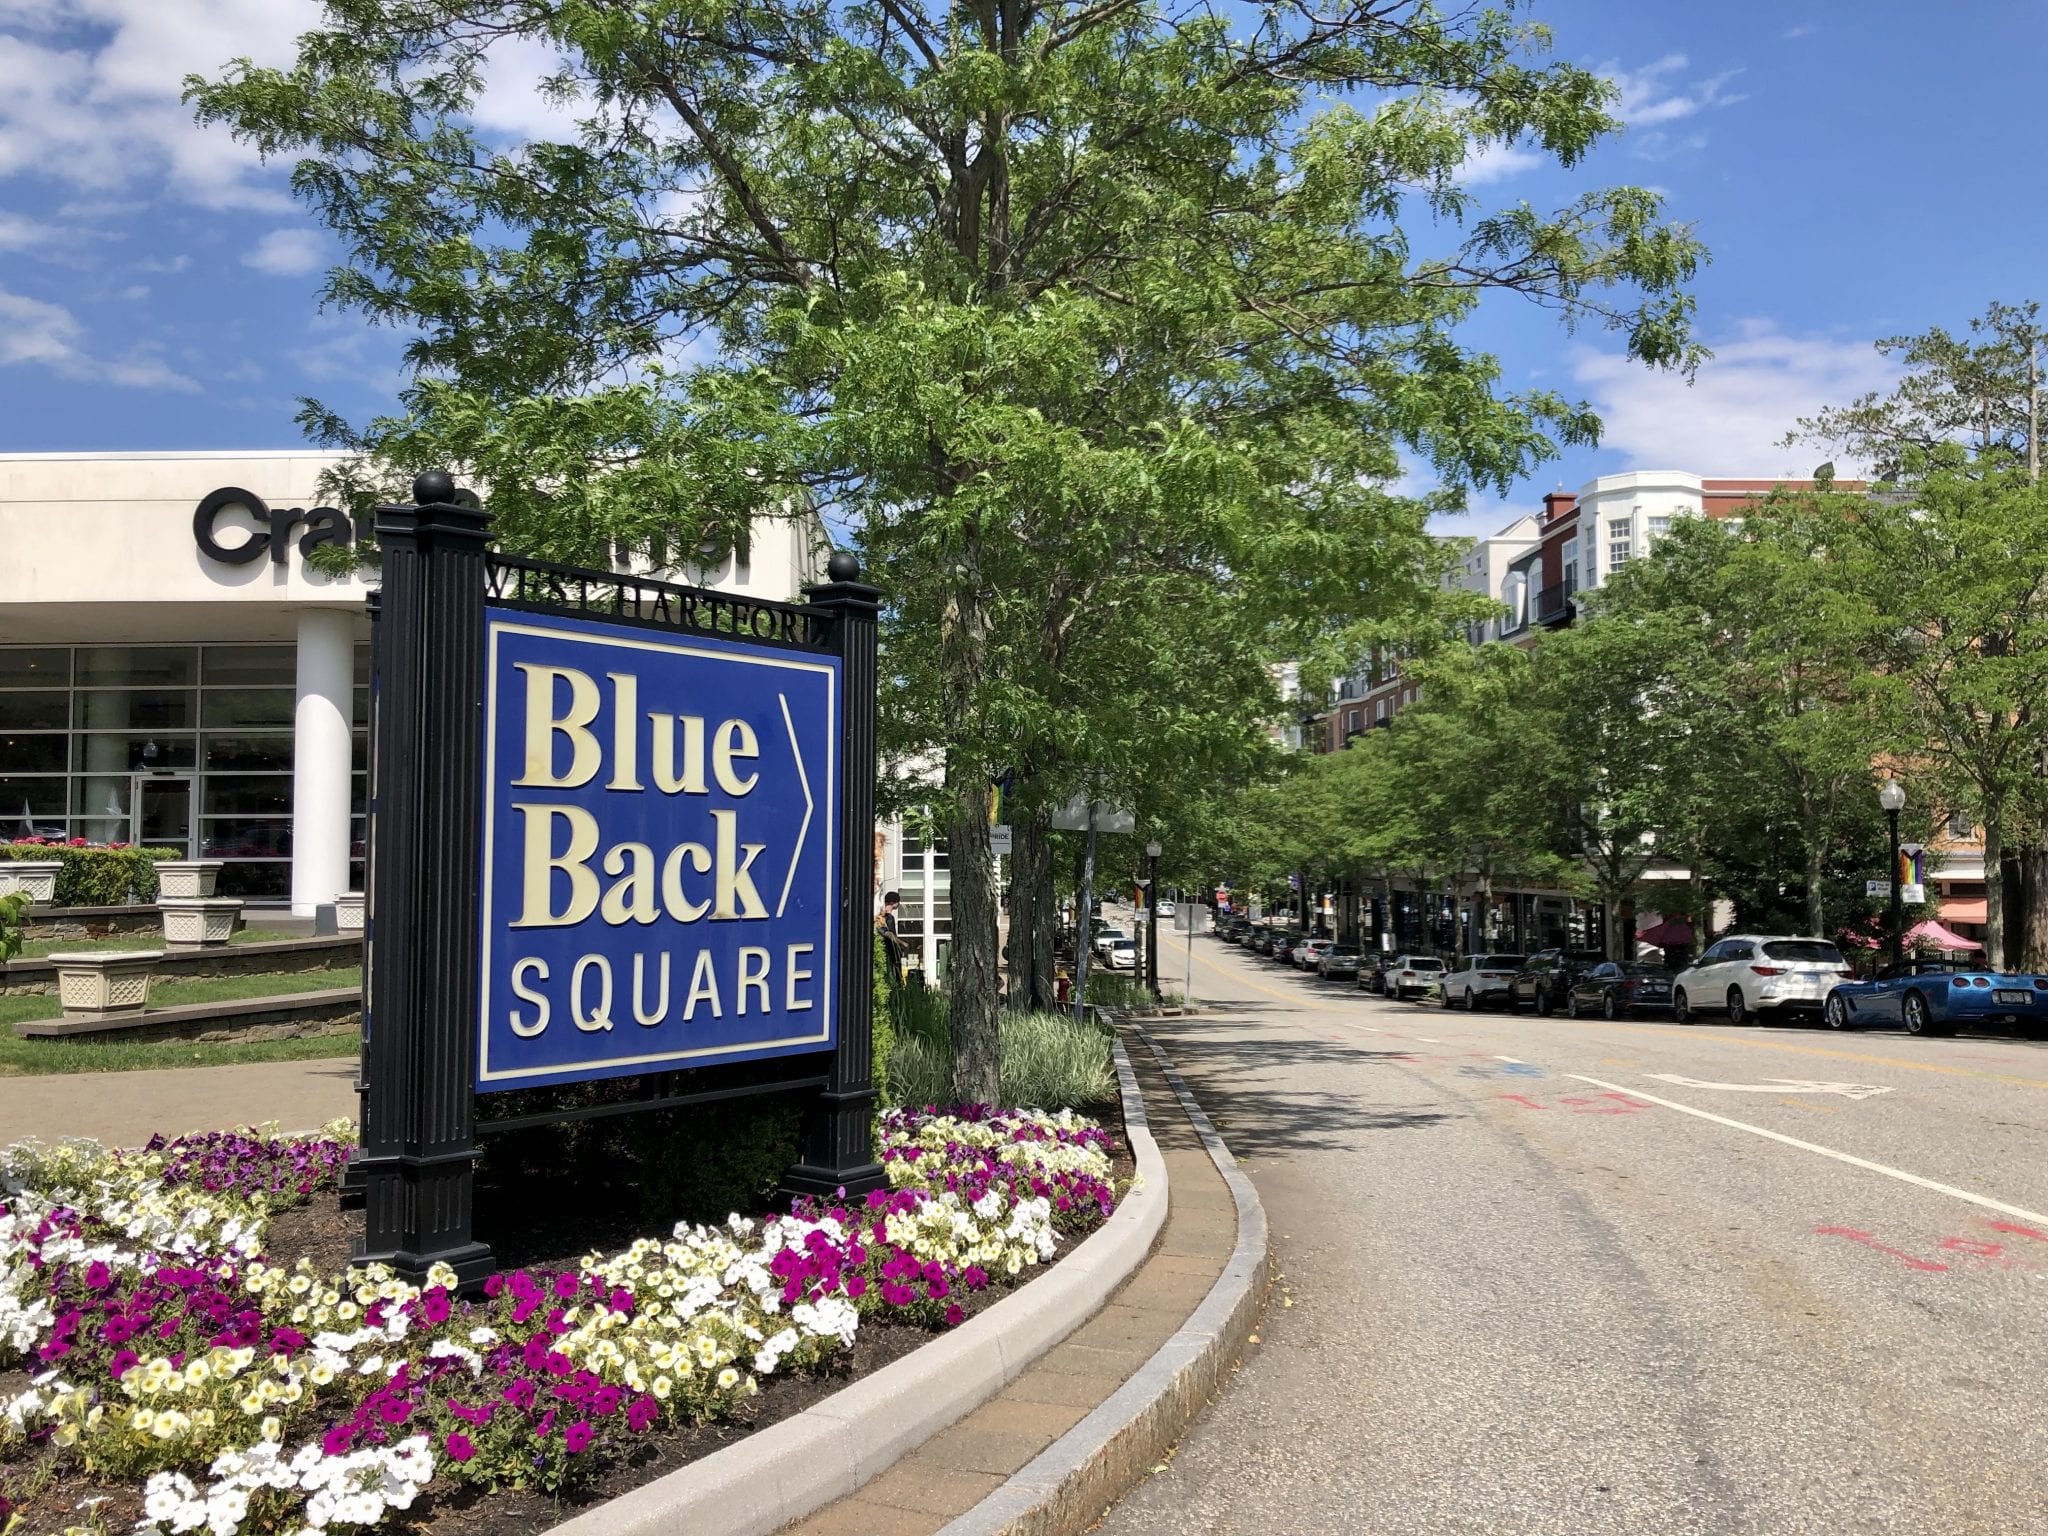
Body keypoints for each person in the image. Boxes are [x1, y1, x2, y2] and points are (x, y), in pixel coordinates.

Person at [877, 890, 907, 976]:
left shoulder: (880, 916)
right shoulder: (888, 918)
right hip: (888, 950)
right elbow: (889, 934)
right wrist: (902, 943)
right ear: (893, 902)